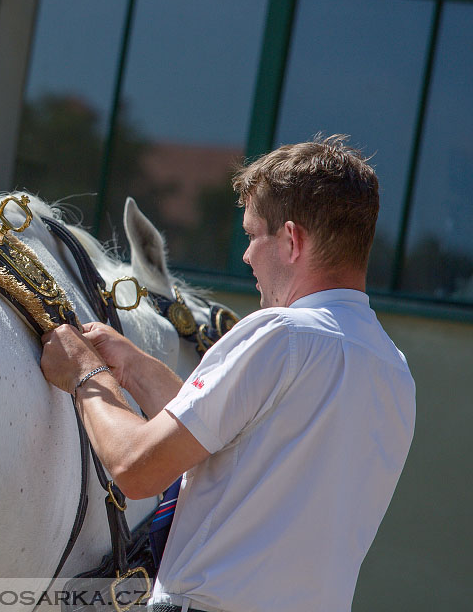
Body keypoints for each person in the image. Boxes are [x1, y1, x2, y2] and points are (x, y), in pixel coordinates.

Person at [40, 134, 416, 612]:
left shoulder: (280, 333)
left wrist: (84, 373)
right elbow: (231, 450)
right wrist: (133, 367)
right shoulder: (394, 370)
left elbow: (138, 468)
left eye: (252, 234)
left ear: (292, 240)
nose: (246, 255)